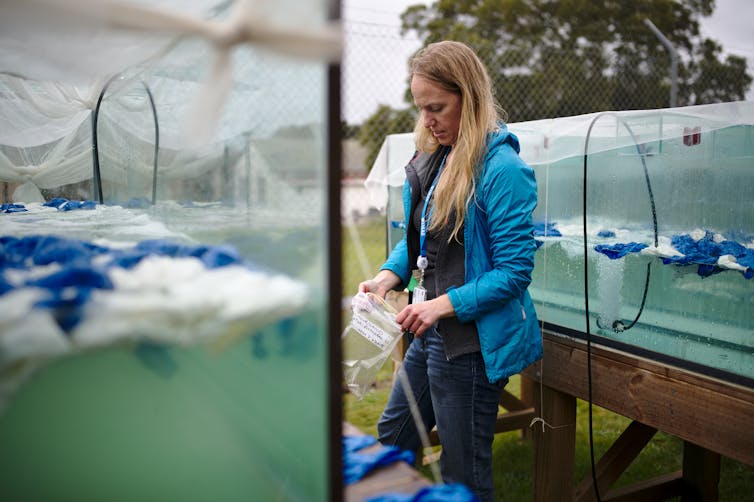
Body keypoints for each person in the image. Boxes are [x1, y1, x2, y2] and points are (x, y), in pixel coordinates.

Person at [357, 40, 542, 501]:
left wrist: (440, 306)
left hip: (471, 346)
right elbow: (421, 240)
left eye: (437, 108)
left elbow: (515, 272)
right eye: (421, 109)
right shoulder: (440, 156)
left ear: (470, 98)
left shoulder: (503, 170)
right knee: (395, 435)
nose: (427, 121)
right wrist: (386, 277)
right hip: (432, 332)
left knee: (463, 473)